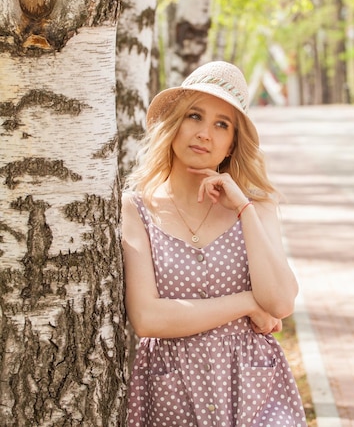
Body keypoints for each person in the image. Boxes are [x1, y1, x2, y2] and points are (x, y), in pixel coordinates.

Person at [122, 61, 307, 427]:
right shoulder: (136, 208)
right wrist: (248, 303)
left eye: (221, 124)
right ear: (174, 125)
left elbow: (281, 302)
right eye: (194, 116)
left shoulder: (258, 206)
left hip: (256, 388)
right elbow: (147, 318)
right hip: (171, 392)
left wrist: (243, 209)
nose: (204, 133)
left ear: (231, 144)